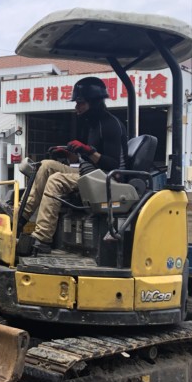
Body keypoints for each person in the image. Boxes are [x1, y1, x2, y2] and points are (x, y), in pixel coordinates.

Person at [17, 76, 128, 254]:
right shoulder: (91, 124)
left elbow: (112, 163)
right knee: (46, 165)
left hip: (107, 179)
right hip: (89, 174)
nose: (76, 107)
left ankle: (42, 239)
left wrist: (87, 151)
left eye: (80, 103)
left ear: (94, 103)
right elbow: (85, 161)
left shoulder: (110, 125)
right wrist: (70, 155)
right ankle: (20, 218)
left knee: (56, 180)